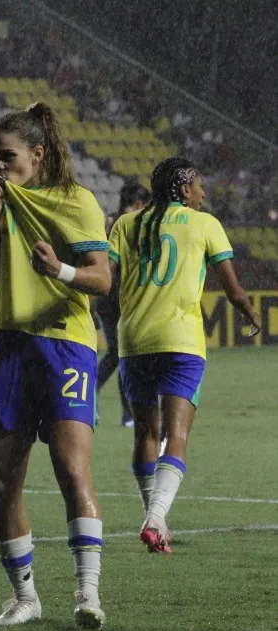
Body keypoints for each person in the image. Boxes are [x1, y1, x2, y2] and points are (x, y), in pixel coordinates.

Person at [0, 102, 111, 628]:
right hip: (9, 346)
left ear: (37, 153)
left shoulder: (77, 202)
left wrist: (61, 270)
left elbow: (101, 279)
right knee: (3, 481)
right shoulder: (3, 201)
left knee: (72, 470)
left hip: (65, 346)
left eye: (6, 156)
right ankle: (26, 597)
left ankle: (87, 594)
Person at [108, 157, 261, 553]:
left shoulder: (126, 225)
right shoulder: (205, 224)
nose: (204, 193)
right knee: (176, 434)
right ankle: (156, 518)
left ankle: (154, 519)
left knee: (144, 432)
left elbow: (104, 278)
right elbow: (233, 290)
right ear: (183, 189)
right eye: (199, 186)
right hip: (181, 341)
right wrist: (250, 312)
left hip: (134, 341)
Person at [95, 182, 151, 427]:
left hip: (108, 297)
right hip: (118, 297)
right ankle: (125, 412)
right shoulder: (130, 225)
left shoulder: (108, 222)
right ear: (139, 204)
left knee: (119, 354)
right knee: (122, 353)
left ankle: (116, 407)